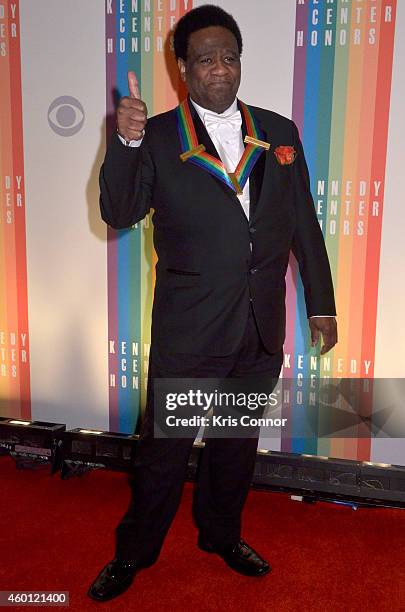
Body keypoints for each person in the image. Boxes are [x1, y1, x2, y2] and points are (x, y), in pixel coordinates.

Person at [88, 4, 337, 602]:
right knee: (164, 453)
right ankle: (135, 552)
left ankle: (221, 535)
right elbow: (119, 214)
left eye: (229, 57)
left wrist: (320, 305)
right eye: (205, 59)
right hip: (190, 329)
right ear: (182, 69)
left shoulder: (279, 132)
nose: (219, 69)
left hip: (258, 325)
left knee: (235, 445)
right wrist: (124, 140)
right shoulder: (156, 137)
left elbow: (304, 221)